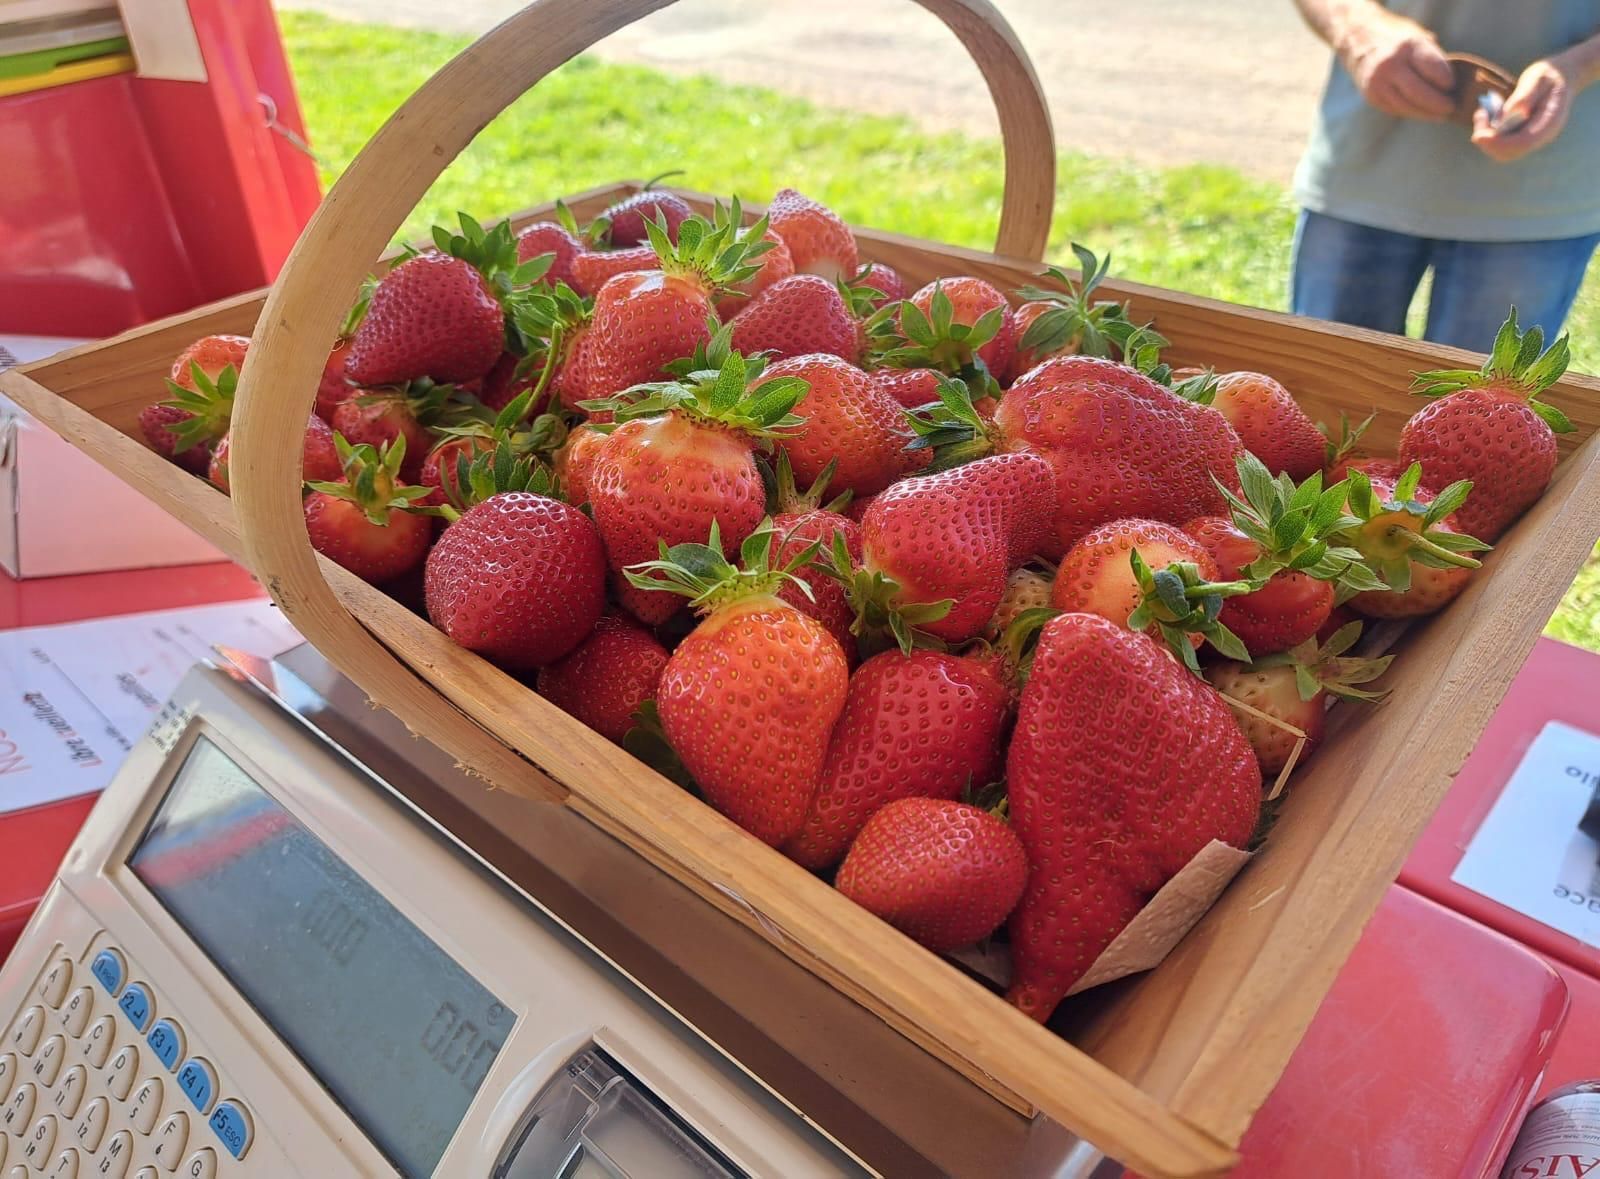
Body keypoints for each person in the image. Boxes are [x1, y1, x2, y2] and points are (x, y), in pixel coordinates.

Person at [1290, 1, 1600, 348]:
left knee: (1485, 400)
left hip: (1547, 192)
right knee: (1326, 389)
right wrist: (1357, 28)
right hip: (1363, 163)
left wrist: (1579, 67)